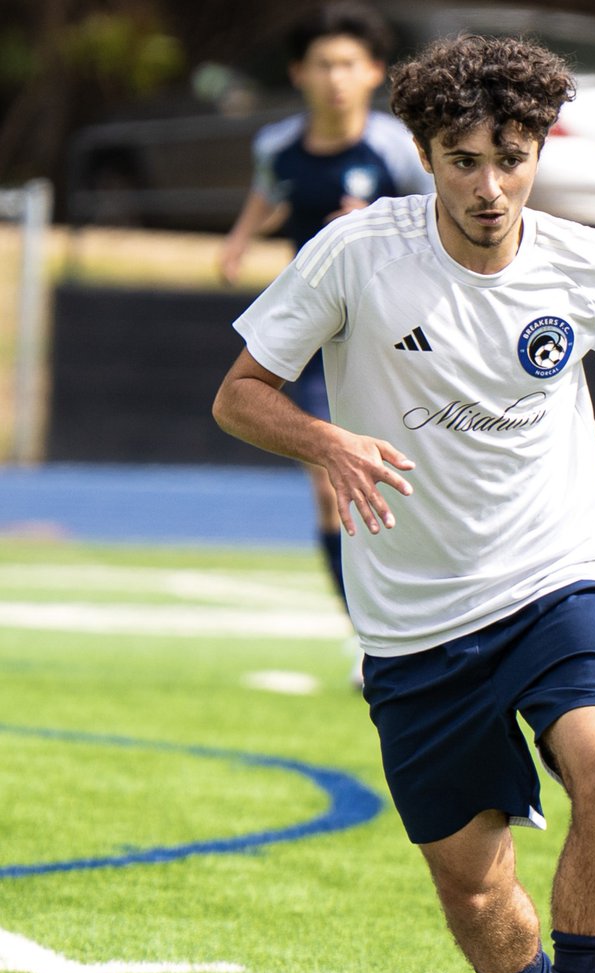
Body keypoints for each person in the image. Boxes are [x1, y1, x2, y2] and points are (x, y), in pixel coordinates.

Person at [214, 33, 595, 973]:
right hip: (412, 623)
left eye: (513, 154)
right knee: (477, 888)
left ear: (541, 145)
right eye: (461, 159)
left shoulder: (594, 264)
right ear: (426, 155)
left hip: (560, 580)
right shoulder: (355, 254)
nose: (490, 187)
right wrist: (328, 444)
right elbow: (240, 393)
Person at [219, 2, 431, 679]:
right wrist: (241, 238)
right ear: (299, 74)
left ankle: (435, 615)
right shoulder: (277, 146)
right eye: (322, 64)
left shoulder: (398, 148)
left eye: (349, 64)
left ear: (373, 73)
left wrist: (377, 224)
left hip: (396, 336)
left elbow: (440, 221)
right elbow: (268, 190)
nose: (336, 78)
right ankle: (371, 636)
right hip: (316, 336)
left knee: (414, 478)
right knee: (327, 486)